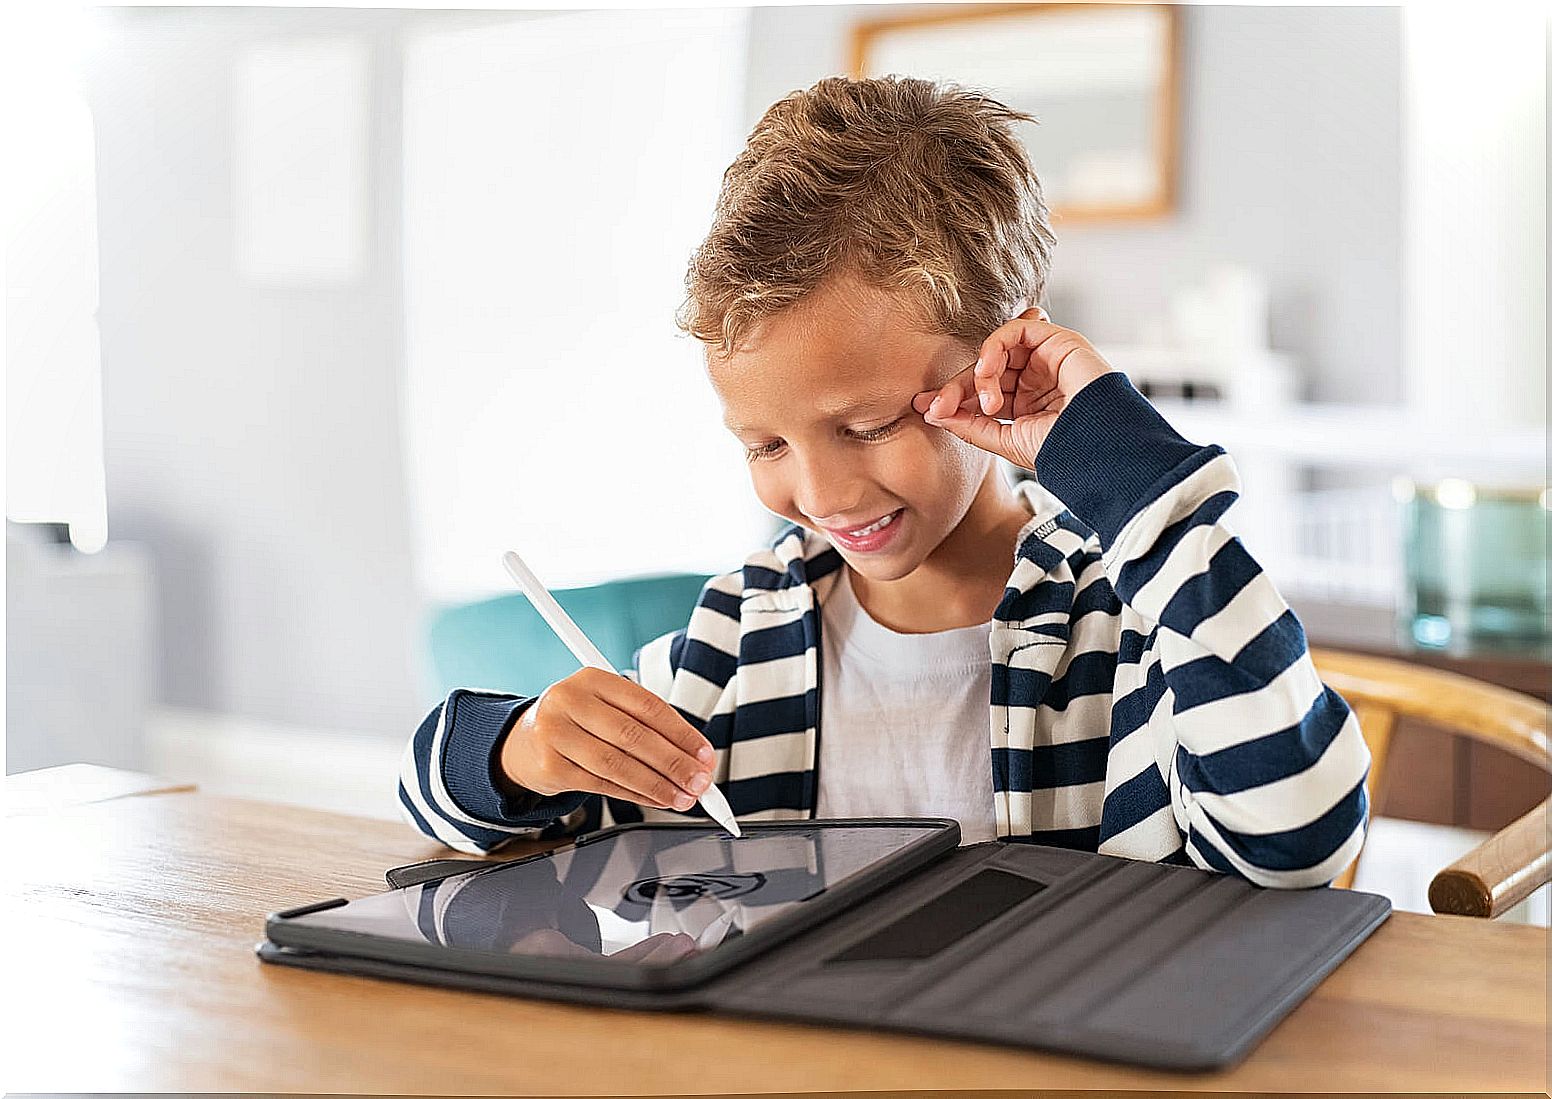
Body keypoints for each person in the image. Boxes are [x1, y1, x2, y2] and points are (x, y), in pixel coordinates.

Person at [397, 76, 1370, 889]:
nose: (820, 493)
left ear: (1000, 357)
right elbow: (438, 796)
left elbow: (1301, 838)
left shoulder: (1135, 621)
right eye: (765, 445)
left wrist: (1126, 471)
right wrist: (519, 749)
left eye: (865, 425)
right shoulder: (745, 636)